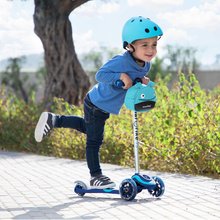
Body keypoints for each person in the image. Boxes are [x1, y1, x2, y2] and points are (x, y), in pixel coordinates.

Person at [34, 16, 163, 189]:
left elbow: (136, 77)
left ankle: (55, 120)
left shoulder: (145, 64)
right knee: (94, 140)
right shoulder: (121, 61)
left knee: (88, 128)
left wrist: (142, 81)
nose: (150, 50)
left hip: (104, 106)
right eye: (144, 45)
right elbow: (100, 75)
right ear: (129, 46)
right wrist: (120, 76)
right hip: (96, 102)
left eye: (154, 44)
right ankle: (95, 176)